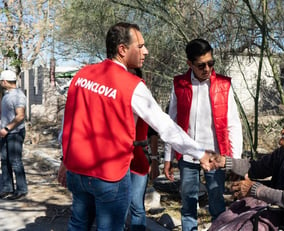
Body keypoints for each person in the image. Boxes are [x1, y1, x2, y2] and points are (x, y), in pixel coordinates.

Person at [57, 22, 214, 231]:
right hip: (108, 176)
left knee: (77, 224)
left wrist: (64, 160)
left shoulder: (82, 76)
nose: (146, 51)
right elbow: (165, 125)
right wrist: (200, 153)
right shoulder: (131, 85)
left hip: (77, 170)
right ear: (122, 49)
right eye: (140, 46)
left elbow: (67, 124)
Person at [163, 38, 243, 231]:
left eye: (211, 63)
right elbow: (170, 123)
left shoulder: (224, 85)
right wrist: (168, 157)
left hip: (216, 156)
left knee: (217, 205)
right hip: (188, 156)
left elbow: (234, 124)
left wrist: (236, 161)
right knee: (188, 205)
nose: (207, 68)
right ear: (189, 63)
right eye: (201, 65)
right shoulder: (179, 85)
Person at [127, 68, 160, 231]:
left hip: (139, 159)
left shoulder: (146, 102)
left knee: (136, 203)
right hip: (119, 158)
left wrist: (154, 161)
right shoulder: (118, 99)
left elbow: (153, 134)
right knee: (119, 203)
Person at [0, 70, 28, 200]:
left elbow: (20, 116)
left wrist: (7, 128)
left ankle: (21, 189)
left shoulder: (18, 96)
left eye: (1, 81)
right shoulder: (6, 95)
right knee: (5, 161)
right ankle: (7, 188)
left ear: (5, 81)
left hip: (15, 133)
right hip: (5, 133)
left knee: (15, 161)